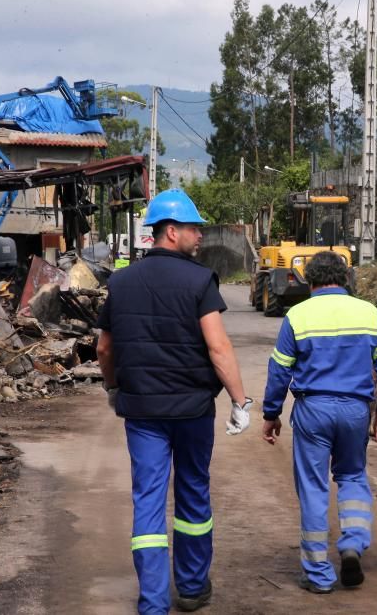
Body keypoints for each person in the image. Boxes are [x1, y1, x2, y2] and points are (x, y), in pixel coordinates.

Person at [96, 188, 253, 615]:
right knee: (192, 496)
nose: (199, 235)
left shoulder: (121, 281)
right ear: (170, 231)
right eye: (193, 228)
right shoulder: (200, 280)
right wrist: (240, 400)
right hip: (192, 411)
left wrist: (113, 388)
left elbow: (105, 350)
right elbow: (218, 348)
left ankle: (152, 603)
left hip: (143, 411)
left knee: (147, 499)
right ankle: (192, 586)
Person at [261, 251, 377, 594]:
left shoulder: (297, 315)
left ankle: (319, 574)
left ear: (311, 282)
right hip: (355, 409)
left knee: (313, 487)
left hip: (313, 409)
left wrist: (270, 413)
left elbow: (279, 371)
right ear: (345, 278)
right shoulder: (368, 313)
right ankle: (353, 542)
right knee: (352, 475)